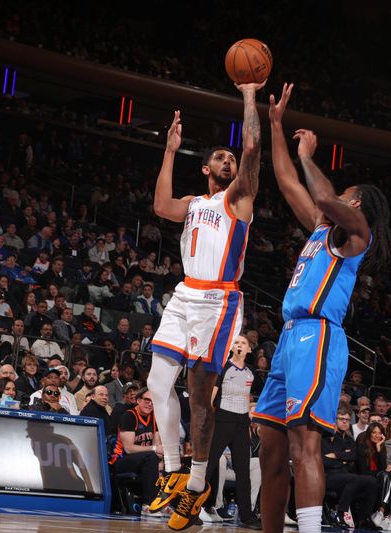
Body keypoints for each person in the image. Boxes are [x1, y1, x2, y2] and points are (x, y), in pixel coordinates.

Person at [253, 83, 391, 533]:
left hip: (318, 337)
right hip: (289, 339)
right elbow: (285, 181)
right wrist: (276, 125)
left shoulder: (355, 233)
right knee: (271, 447)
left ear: (354, 204)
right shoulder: (320, 231)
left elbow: (318, 194)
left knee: (304, 444)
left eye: (346, 195)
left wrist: (309, 156)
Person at [146, 80, 264, 531]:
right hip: (184, 293)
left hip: (219, 298)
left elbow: (252, 149)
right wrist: (171, 150)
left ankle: (197, 486)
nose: (228, 159)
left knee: (199, 395)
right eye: (220, 157)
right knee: (158, 383)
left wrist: (249, 96)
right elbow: (160, 205)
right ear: (206, 168)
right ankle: (175, 469)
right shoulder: (196, 201)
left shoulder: (240, 199)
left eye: (230, 158)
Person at [200, 336, 261, 528]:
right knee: (209, 465)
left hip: (242, 422)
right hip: (223, 418)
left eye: (243, 343)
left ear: (249, 350)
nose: (239, 345)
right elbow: (212, 395)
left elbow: (253, 395)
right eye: (236, 343)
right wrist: (209, 418)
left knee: (243, 471)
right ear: (232, 347)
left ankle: (247, 516)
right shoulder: (224, 367)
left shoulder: (252, 372)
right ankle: (194, 507)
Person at [109, 387, 163, 514]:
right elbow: (129, 448)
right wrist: (155, 449)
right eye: (146, 400)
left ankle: (167, 503)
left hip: (144, 460)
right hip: (120, 460)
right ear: (138, 400)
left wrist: (161, 459)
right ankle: (149, 504)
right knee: (151, 457)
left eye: (153, 401)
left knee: (171, 461)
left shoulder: (155, 418)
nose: (150, 404)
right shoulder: (129, 416)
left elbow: (158, 445)